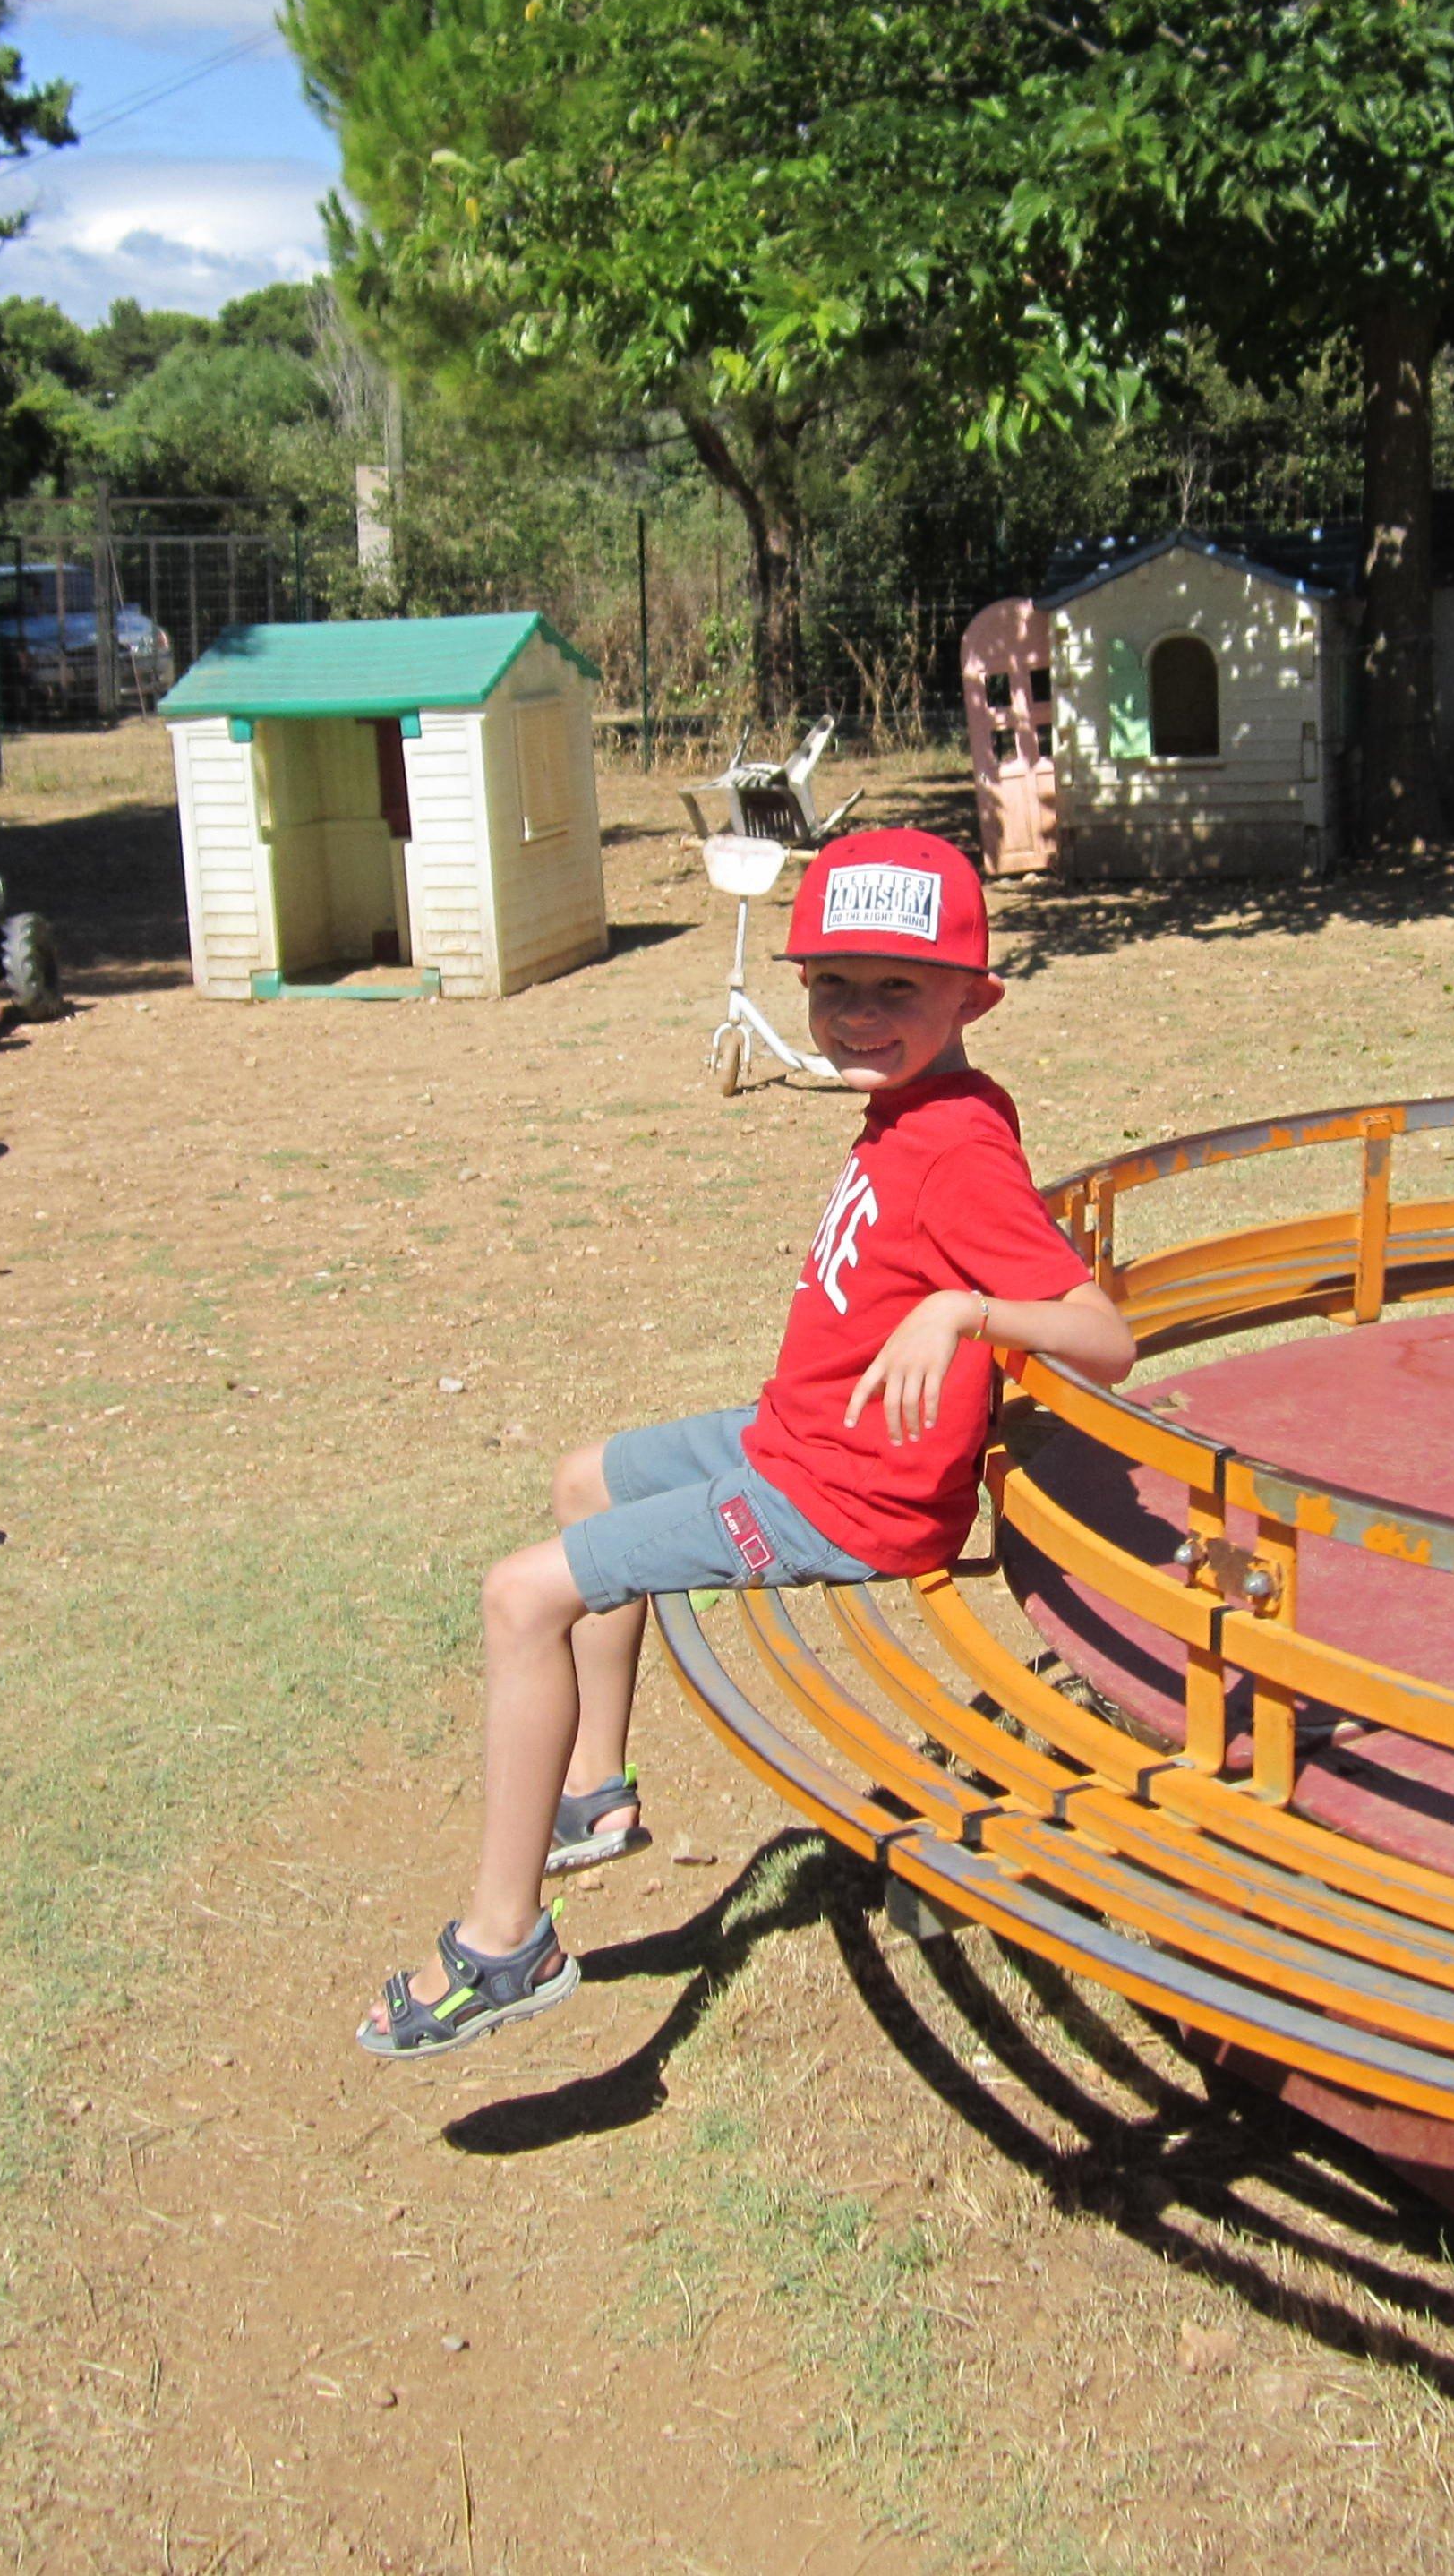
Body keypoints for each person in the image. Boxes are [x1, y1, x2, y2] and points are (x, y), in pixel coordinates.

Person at [357, 827, 1137, 2057]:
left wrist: (967, 1311)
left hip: (843, 1498)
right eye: (832, 984)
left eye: (898, 988)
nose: (857, 1015)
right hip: (800, 1437)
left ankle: (505, 1946)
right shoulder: (922, 1101)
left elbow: (1105, 1339)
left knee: (519, 1599)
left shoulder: (959, 1147)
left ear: (973, 996)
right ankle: (594, 1798)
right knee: (581, 1480)